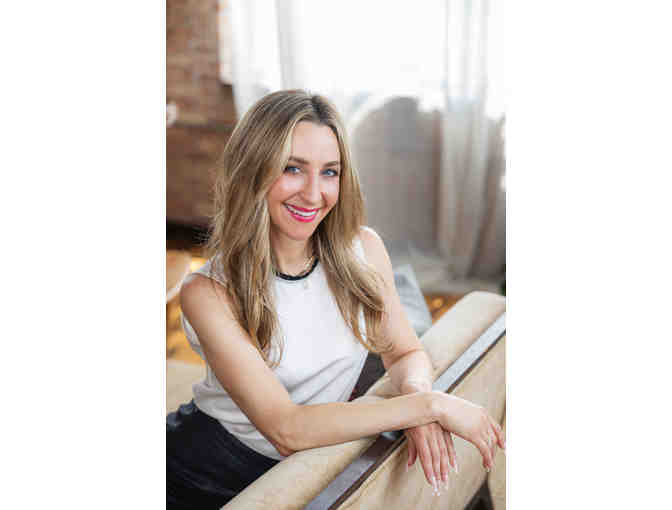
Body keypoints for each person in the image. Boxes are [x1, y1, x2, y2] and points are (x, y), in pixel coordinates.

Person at [167, 89, 504, 509]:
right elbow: (287, 429)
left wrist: (415, 394)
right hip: (198, 472)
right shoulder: (208, 292)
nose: (314, 194)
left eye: (330, 172)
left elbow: (404, 352)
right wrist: (428, 406)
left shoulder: (364, 249)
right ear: (253, 171)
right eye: (292, 168)